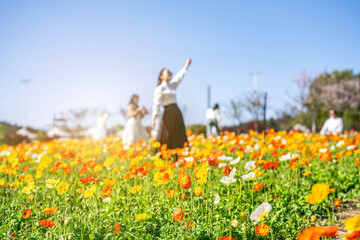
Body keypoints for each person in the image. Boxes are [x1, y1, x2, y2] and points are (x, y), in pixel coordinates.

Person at [152, 58, 191, 150]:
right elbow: (156, 104)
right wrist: (153, 118)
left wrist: (186, 65)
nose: (170, 74)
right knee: (167, 134)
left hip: (177, 112)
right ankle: (167, 154)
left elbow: (179, 77)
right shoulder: (160, 88)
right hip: (168, 113)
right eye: (167, 72)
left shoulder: (172, 86)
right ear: (161, 76)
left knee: (178, 134)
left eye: (170, 72)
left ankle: (179, 155)